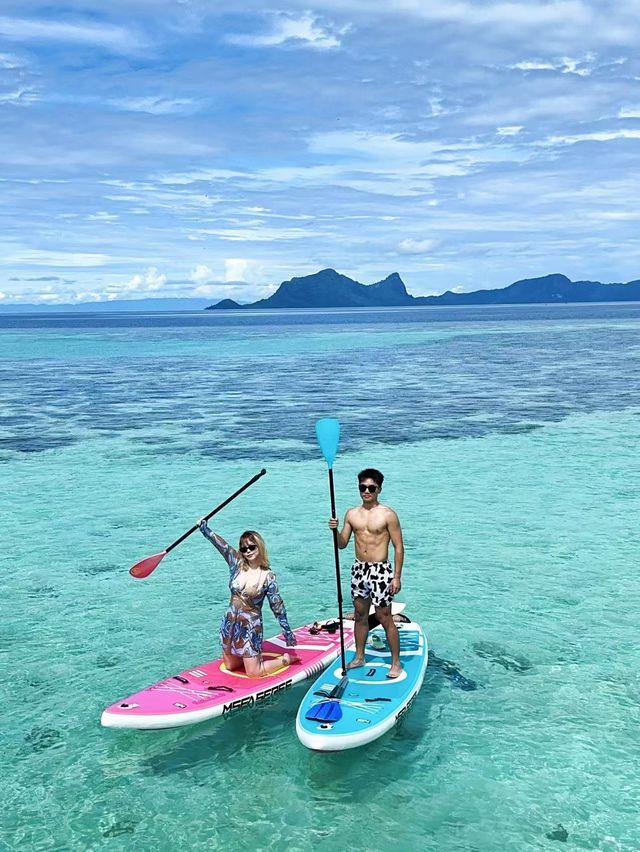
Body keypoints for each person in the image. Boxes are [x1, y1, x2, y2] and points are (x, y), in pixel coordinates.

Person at [197, 520, 299, 678]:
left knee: (254, 673)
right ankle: (247, 658)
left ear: (260, 546)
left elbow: (277, 607)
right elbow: (221, 546)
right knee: (230, 666)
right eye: (244, 549)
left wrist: (287, 633)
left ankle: (285, 660)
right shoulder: (236, 564)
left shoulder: (267, 576)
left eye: (252, 547)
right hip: (230, 623)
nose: (248, 551)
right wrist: (204, 528)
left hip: (250, 626)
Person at [329, 468, 404, 678]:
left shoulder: (388, 514)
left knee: (384, 617)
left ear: (379, 489)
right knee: (361, 615)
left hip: (380, 571)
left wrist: (396, 576)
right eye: (363, 487)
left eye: (371, 487)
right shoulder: (352, 514)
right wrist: (335, 531)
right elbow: (342, 544)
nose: (367, 491)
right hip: (359, 570)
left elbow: (398, 547)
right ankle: (360, 656)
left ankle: (396, 663)